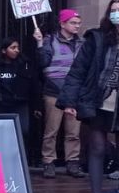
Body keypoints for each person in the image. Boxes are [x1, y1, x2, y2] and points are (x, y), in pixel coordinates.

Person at [58, 0, 119, 193]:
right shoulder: (98, 38)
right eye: (113, 9)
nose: (116, 13)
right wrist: (70, 101)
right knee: (97, 149)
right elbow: (78, 70)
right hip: (99, 103)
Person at [35, 9, 85, 178]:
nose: (77, 26)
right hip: (54, 91)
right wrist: (40, 43)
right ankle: (48, 162)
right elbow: (42, 62)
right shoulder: (50, 40)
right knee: (51, 130)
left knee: (73, 132)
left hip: (74, 93)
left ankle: (73, 162)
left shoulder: (82, 43)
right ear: (62, 23)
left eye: (78, 23)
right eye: (73, 22)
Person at [0, 37, 41, 138]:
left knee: (22, 131)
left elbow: (33, 85)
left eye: (17, 47)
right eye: (13, 48)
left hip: (19, 104)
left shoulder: (24, 65)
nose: (16, 50)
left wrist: (37, 105)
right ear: (4, 50)